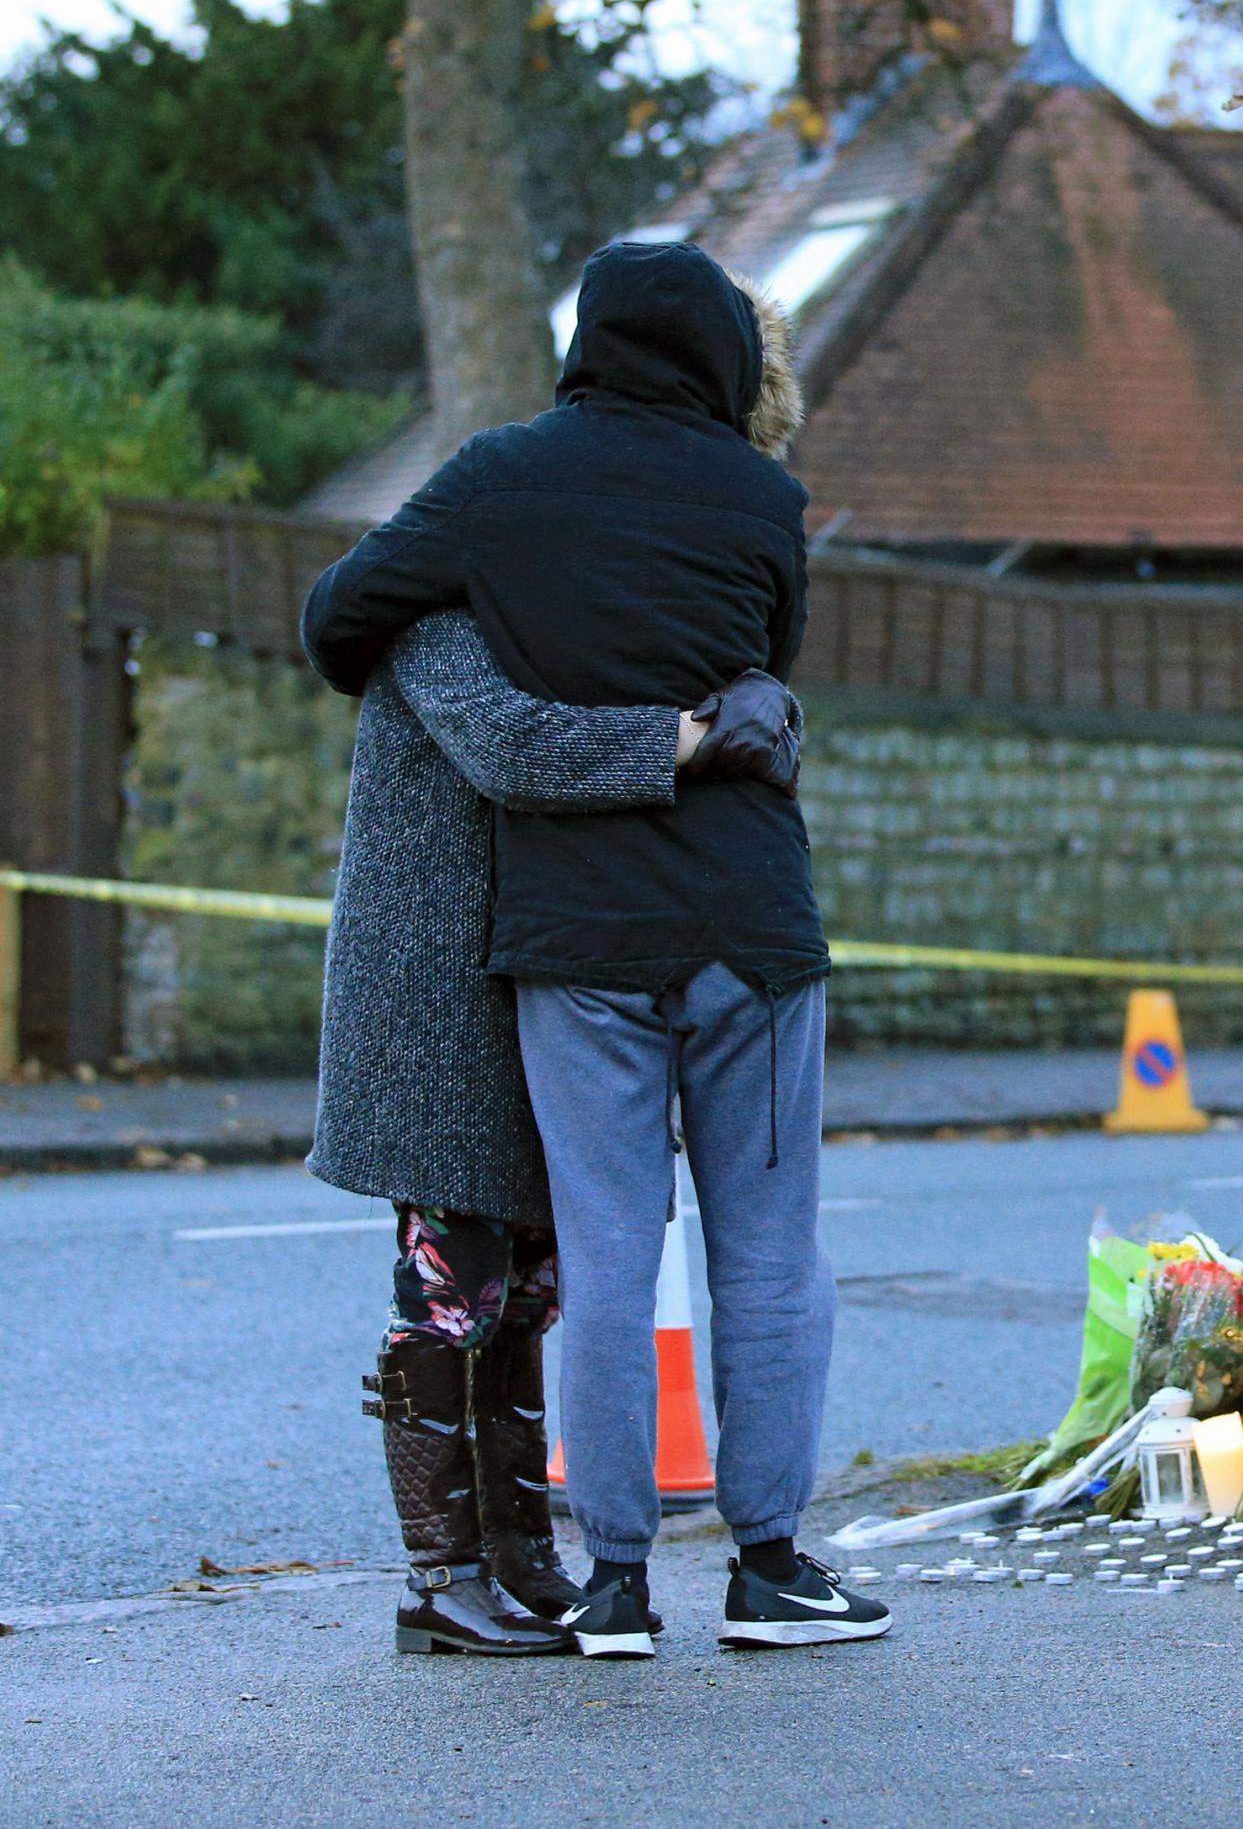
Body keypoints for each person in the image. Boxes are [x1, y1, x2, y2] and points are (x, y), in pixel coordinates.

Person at [302, 240, 887, 1660]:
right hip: (742, 922)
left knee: (606, 1263)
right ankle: (763, 1565)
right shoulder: (764, 498)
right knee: (764, 1256)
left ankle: (611, 1581)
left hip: (572, 938)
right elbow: (764, 671)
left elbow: (334, 616)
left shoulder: (499, 489)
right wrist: (702, 728)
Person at [314, 611, 802, 1656]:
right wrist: (707, 734)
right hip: (440, 1007)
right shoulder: (438, 628)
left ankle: (524, 1557)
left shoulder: (524, 607)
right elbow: (517, 750)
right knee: (449, 1287)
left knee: (529, 1289)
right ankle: (440, 1581)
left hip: (545, 982)